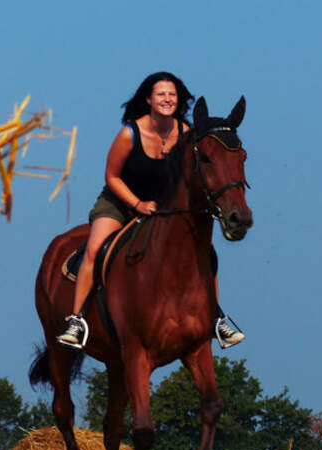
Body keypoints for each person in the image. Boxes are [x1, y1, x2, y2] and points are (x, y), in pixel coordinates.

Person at [57, 71, 245, 350]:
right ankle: (77, 320)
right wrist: (137, 204)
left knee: (206, 251)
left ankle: (216, 318)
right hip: (120, 203)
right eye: (161, 94)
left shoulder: (186, 133)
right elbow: (112, 177)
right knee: (95, 250)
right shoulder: (130, 133)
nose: (167, 99)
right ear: (149, 99)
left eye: (172, 94)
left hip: (162, 207)